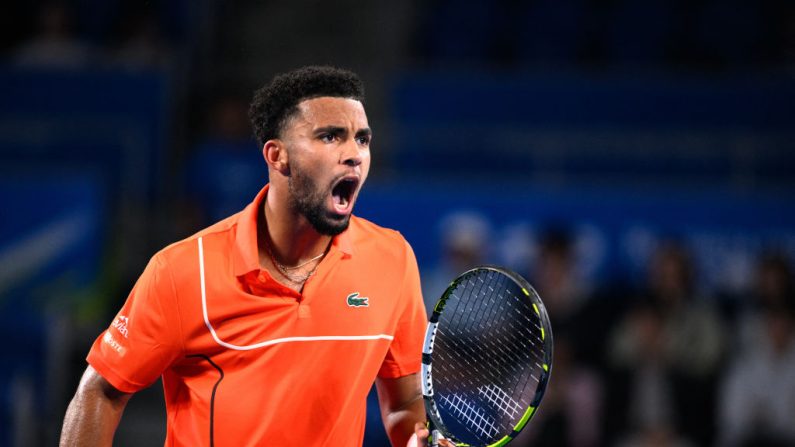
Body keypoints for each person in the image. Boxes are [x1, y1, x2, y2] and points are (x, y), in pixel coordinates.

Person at [60, 66, 439, 446]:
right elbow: (101, 392)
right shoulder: (182, 270)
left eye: (362, 139)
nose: (354, 155)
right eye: (330, 137)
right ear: (278, 156)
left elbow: (405, 399)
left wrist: (417, 438)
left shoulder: (392, 259)